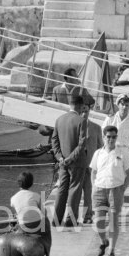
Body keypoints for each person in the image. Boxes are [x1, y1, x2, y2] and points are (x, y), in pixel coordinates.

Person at [90, 125, 129, 256]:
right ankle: (103, 241)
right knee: (98, 222)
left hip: (115, 189)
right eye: (108, 137)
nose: (111, 139)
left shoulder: (122, 153)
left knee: (114, 220)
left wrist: (123, 188)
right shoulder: (98, 153)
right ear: (103, 137)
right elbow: (93, 172)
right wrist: (93, 187)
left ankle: (112, 250)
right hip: (99, 188)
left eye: (114, 137)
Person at [51, 95, 88, 227]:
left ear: (70, 104)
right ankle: (70, 220)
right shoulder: (81, 121)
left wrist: (60, 157)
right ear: (81, 106)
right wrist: (70, 159)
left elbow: (54, 140)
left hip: (62, 162)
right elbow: (82, 144)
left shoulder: (59, 119)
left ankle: (56, 219)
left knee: (62, 189)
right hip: (76, 162)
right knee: (74, 189)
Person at [10, 171, 52, 256]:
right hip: (37, 224)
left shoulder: (13, 198)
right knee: (44, 233)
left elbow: (17, 209)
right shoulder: (36, 195)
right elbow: (44, 212)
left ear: (18, 183)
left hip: (24, 226)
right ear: (31, 183)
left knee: (31, 231)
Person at [80, 95, 102, 224]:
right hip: (76, 165)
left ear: (89, 111)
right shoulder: (73, 126)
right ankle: (70, 216)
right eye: (81, 110)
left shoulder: (96, 128)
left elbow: (100, 147)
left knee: (88, 191)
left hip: (90, 165)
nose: (84, 113)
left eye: (86, 111)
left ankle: (87, 216)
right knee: (75, 192)